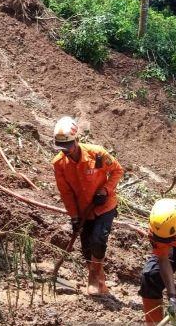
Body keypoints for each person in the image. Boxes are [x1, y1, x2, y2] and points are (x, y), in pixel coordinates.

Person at [52, 116, 124, 295]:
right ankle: (101, 281)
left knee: (99, 240)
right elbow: (66, 193)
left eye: (68, 146)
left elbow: (117, 170)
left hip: (104, 206)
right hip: (83, 210)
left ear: (76, 140)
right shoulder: (59, 164)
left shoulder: (97, 154)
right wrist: (74, 216)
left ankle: (93, 278)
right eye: (62, 148)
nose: (66, 151)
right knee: (86, 247)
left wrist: (106, 190)